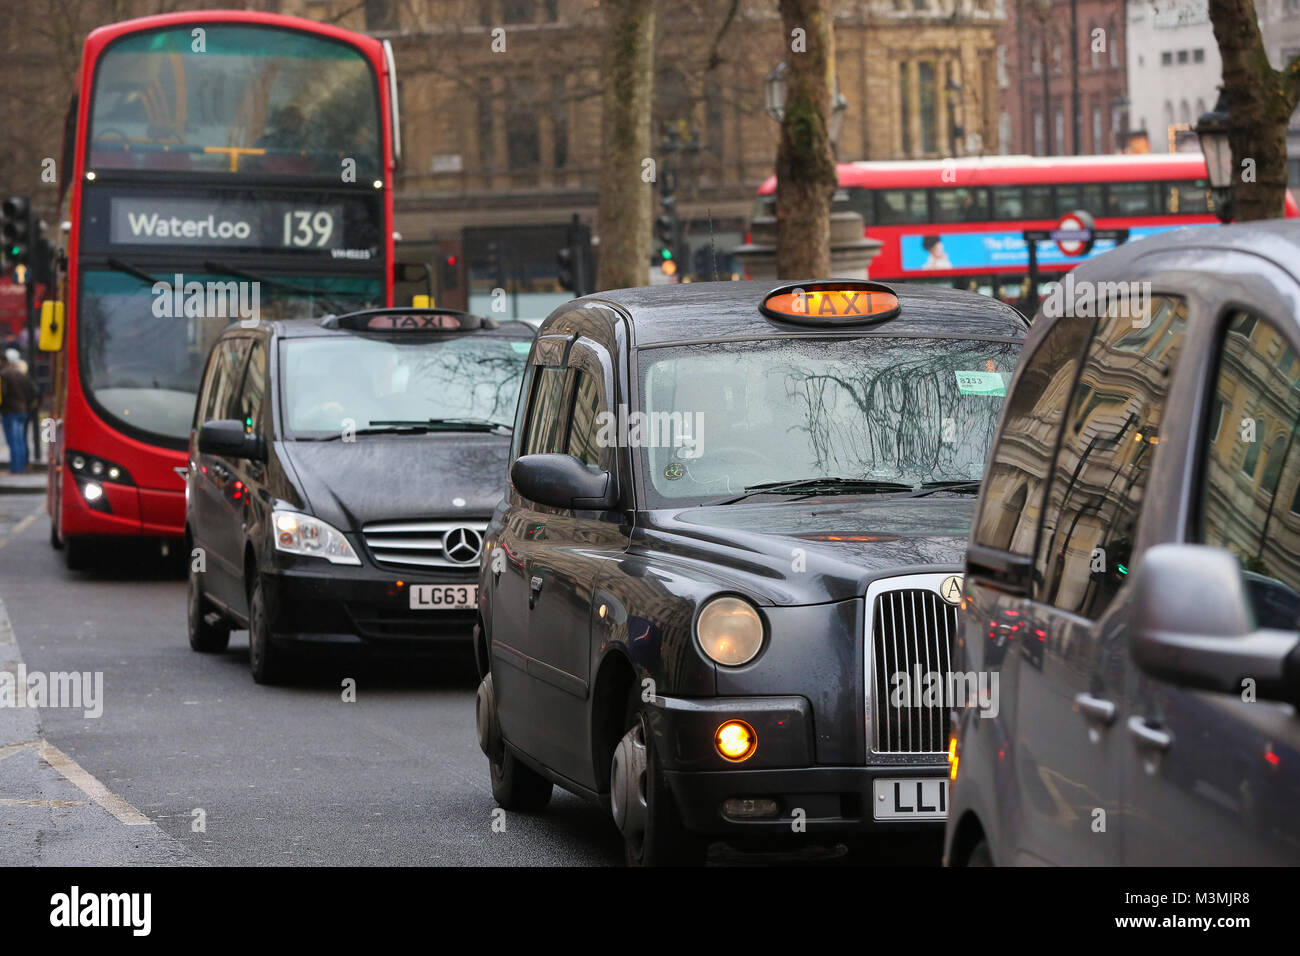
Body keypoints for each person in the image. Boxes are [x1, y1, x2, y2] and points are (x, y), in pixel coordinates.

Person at [0, 351, 36, 474]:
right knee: (20, 440)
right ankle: (22, 465)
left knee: (13, 441)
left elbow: (2, 394)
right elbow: (32, 392)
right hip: (23, 410)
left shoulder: (3, 375)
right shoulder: (21, 375)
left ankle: (16, 468)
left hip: (10, 411)